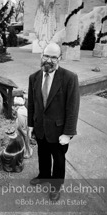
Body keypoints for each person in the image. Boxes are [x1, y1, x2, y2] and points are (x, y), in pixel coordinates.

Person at [27, 42, 80, 201]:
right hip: (40, 127)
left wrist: (68, 133)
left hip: (59, 131)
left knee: (58, 160)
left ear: (60, 58)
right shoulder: (34, 77)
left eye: (53, 57)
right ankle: (44, 176)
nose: (48, 60)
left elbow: (73, 108)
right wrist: (30, 125)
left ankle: (56, 187)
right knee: (42, 154)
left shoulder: (69, 78)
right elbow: (31, 104)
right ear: (41, 56)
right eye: (46, 55)